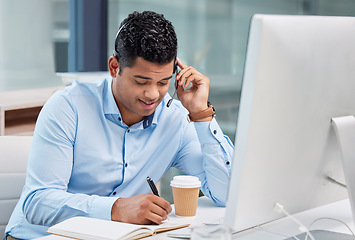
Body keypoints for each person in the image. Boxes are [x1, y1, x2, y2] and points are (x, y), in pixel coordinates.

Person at [5, 11, 234, 239]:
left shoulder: (174, 118)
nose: (153, 94)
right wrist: (115, 208)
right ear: (114, 67)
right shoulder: (68, 107)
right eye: (141, 81)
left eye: (163, 82)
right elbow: (38, 202)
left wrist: (201, 114)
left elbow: (226, 195)